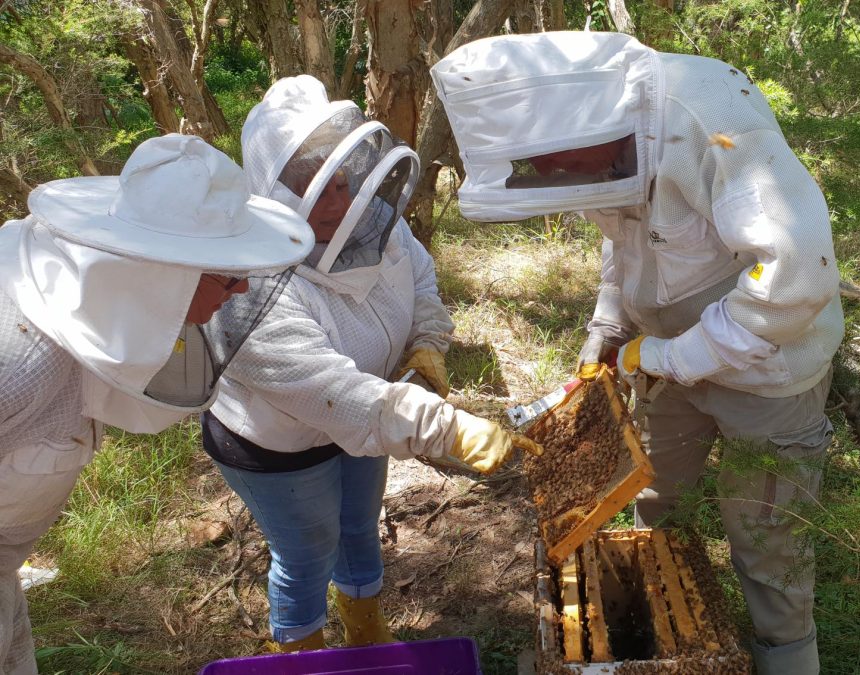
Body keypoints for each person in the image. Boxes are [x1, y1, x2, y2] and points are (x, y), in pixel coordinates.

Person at [431, 32, 845, 674]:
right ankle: (653, 611)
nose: (552, 176)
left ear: (592, 119)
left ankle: (785, 655)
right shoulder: (589, 142)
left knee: (769, 548)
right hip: (664, 362)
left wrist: (669, 358)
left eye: (554, 162)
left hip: (770, 370)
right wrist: (607, 335)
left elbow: (796, 277)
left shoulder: (711, 121)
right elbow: (623, 245)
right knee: (652, 501)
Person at [206, 75, 540, 654]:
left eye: (341, 182)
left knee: (359, 529)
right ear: (274, 194)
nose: (335, 203)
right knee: (307, 552)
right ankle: (304, 656)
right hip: (279, 446)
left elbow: (420, 280)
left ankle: (365, 634)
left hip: (373, 422)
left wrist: (427, 342)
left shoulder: (375, 224)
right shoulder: (247, 291)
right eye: (312, 189)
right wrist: (449, 428)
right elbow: (336, 394)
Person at [0, 134, 317, 674]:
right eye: (226, 273)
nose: (240, 291)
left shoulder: (90, 310)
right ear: (157, 272)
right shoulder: (17, 360)